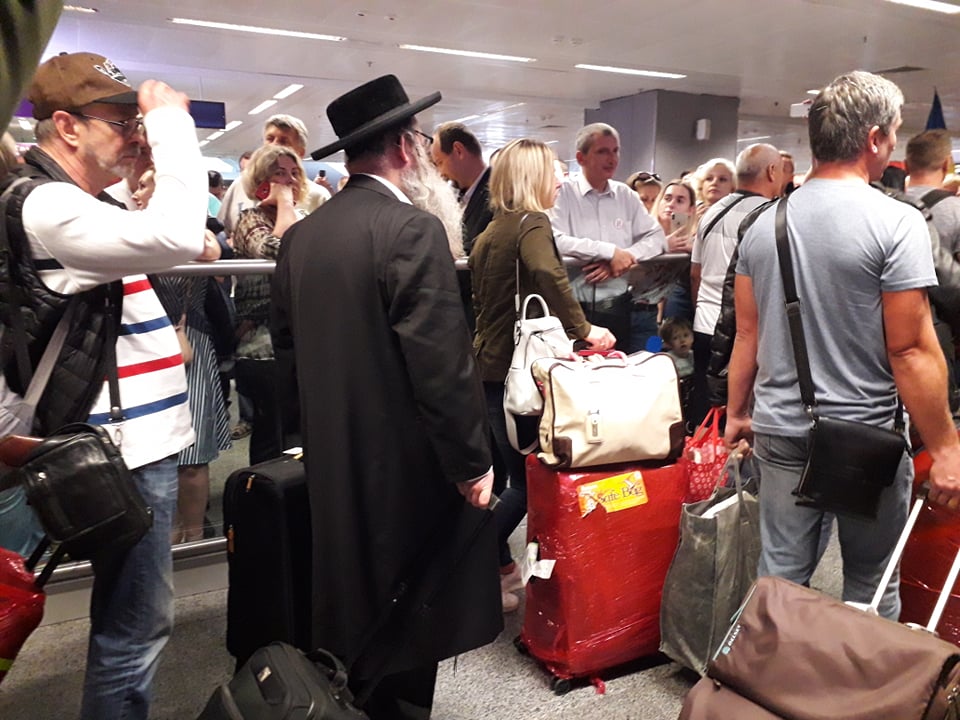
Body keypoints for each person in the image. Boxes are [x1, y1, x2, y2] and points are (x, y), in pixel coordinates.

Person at [271, 74, 502, 720]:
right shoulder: (411, 230)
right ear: (405, 147)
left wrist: (304, 437)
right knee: (410, 610)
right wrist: (472, 462)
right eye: (422, 142)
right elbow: (440, 364)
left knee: (346, 600)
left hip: (330, 455)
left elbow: (287, 353)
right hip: (405, 466)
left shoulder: (302, 238)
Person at [1, 51, 219, 719]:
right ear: (67, 126)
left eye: (137, 122)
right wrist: (173, 128)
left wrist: (139, 172)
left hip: (127, 444)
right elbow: (179, 235)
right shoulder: (46, 206)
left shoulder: (76, 203)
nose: (135, 134)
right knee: (134, 627)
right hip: (115, 450)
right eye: (120, 122)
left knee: (130, 618)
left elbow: (191, 244)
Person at [724, 70, 960, 619]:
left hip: (781, 428)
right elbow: (909, 350)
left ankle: (775, 669)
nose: (893, 145)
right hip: (865, 435)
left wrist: (736, 412)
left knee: (781, 576)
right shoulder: (896, 223)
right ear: (874, 139)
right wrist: (946, 447)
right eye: (893, 133)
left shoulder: (763, 223)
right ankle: (857, 677)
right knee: (871, 586)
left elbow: (749, 333)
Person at [470, 137, 615, 612]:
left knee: (504, 477)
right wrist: (585, 329)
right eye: (554, 170)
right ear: (532, 176)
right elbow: (549, 276)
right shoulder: (532, 223)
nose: (560, 179)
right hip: (521, 376)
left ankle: (501, 569)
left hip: (490, 369)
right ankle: (471, 569)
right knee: (526, 484)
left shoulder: (490, 232)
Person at [132, 167, 232, 544]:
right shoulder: (134, 228)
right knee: (155, 454)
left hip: (186, 343)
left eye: (145, 185)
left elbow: (212, 249)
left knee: (193, 455)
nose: (137, 193)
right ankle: (173, 535)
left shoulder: (188, 231)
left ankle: (192, 536)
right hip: (145, 347)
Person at [550, 122, 667, 353]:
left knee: (618, 369)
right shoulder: (563, 193)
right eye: (602, 151)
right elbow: (555, 240)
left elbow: (657, 237)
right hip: (575, 310)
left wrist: (624, 258)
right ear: (581, 158)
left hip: (617, 306)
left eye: (615, 151)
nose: (612, 159)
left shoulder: (625, 195)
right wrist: (608, 252)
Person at [688, 143, 782, 426]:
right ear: (772, 171)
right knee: (741, 415)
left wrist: (701, 307)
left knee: (704, 408)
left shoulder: (711, 213)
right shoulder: (772, 217)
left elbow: (695, 274)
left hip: (704, 324)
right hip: (745, 333)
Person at [232, 143, 308, 465]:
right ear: (262, 179)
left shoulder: (303, 219)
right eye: (279, 173)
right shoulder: (249, 219)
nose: (289, 180)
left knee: (299, 435)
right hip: (262, 348)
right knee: (272, 436)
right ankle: (266, 492)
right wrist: (285, 202)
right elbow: (277, 250)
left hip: (299, 341)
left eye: (293, 173)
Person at [217, 113, 330, 235]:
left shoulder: (318, 196)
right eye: (270, 139)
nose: (274, 145)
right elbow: (222, 230)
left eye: (283, 141)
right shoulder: (240, 185)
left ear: (300, 153)